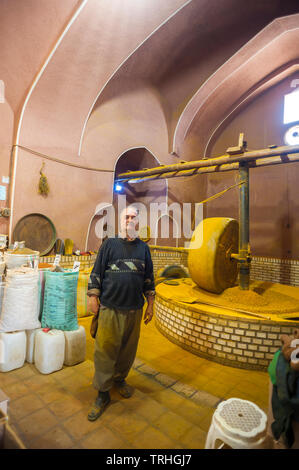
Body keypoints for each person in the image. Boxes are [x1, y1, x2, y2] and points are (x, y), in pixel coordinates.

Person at [87, 205, 155, 421]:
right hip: (110, 307)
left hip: (134, 309)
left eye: (134, 217)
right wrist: (93, 296)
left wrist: (151, 304)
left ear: (138, 222)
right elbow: (96, 272)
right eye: (127, 216)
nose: (130, 220)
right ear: (121, 221)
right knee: (105, 351)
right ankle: (103, 393)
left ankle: (119, 380)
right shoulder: (110, 245)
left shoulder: (144, 249)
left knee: (127, 351)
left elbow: (149, 279)